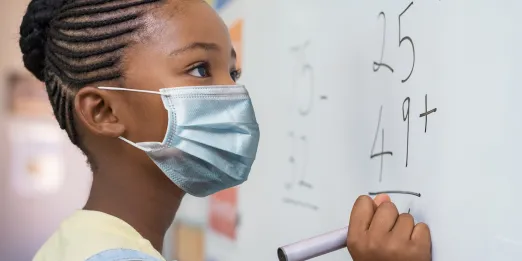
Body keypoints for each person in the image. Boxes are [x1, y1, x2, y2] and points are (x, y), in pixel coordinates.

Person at [19, 0, 432, 261]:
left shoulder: (78, 243)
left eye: (232, 72)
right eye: (201, 69)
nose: (233, 94)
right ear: (104, 110)